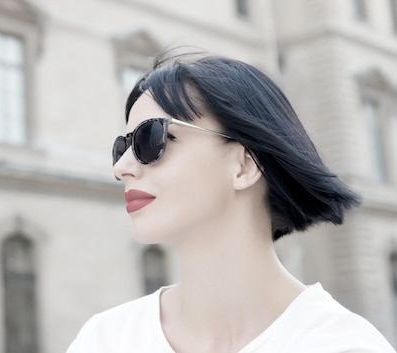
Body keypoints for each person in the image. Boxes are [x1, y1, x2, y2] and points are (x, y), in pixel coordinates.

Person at [66, 51, 396, 353]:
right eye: (122, 147)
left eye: (150, 139)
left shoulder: (343, 345)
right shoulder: (105, 340)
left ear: (244, 165)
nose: (121, 167)